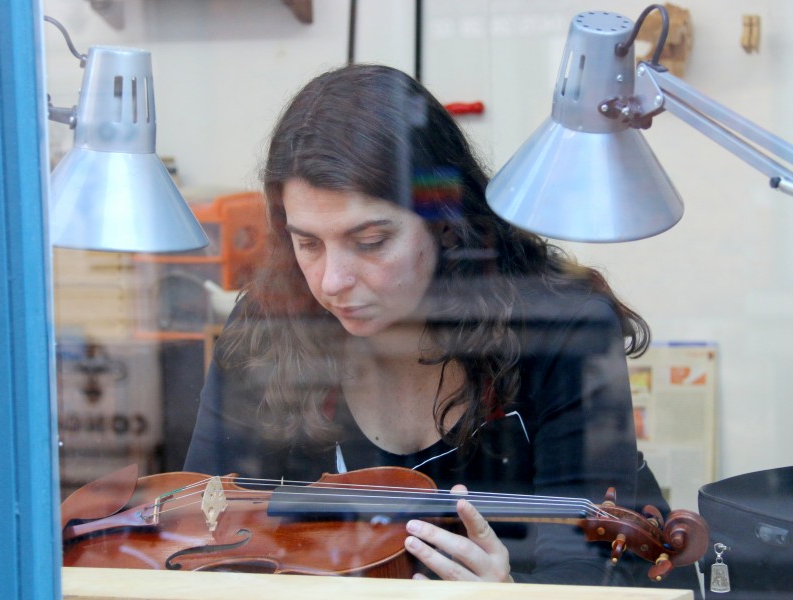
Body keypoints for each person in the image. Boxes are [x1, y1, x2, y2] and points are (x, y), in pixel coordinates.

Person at [184, 63, 656, 586]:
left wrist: (508, 597)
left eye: (369, 242)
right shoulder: (267, 324)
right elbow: (205, 528)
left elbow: (580, 578)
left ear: (445, 226)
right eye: (308, 243)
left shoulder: (561, 332)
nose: (333, 280)